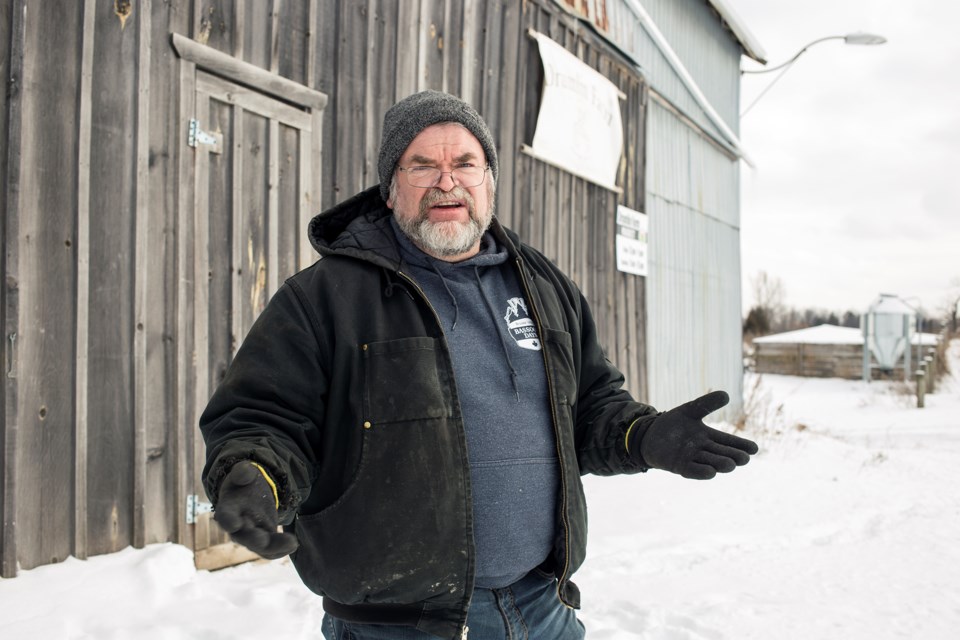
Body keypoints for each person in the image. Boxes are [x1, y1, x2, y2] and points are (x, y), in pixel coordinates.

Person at [200, 90, 758, 640]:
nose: (448, 181)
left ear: (488, 180)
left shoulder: (543, 287)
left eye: (465, 163)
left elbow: (590, 406)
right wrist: (256, 476)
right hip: (397, 628)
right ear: (391, 190)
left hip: (542, 608)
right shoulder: (326, 298)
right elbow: (264, 417)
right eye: (423, 165)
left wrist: (644, 435)